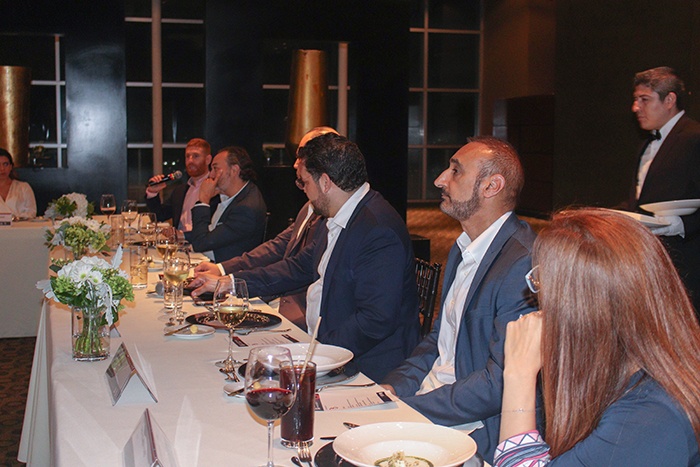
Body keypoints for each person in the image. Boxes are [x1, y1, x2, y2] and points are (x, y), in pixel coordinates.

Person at [195, 133, 420, 382]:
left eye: (304, 183)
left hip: (364, 367)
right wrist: (231, 283)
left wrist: (315, 354)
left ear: (325, 182)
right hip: (325, 348)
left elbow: (375, 321)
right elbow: (296, 267)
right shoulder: (336, 215)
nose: (304, 191)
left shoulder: (377, 230)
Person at [494, 208, 700, 466]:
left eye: (542, 284)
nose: (539, 300)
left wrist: (518, 374)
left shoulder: (650, 419)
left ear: (584, 312)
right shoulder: (638, 371)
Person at [381, 136, 539, 463]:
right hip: (433, 403)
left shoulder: (523, 262)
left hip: (473, 430)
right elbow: (439, 340)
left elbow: (500, 382)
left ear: (491, 186)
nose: (440, 179)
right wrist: (394, 389)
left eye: (455, 171)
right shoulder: (462, 247)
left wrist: (408, 409)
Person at [192, 126, 338, 329]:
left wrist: (231, 282)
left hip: (301, 309)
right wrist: (222, 270)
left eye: (303, 155)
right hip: (278, 296)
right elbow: (277, 246)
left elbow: (298, 270)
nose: (296, 163)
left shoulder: (331, 210)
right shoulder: (309, 206)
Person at [628, 66, 700, 316]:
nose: (635, 107)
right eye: (635, 100)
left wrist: (680, 224)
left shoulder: (695, 138)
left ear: (669, 100)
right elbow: (641, 202)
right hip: (651, 261)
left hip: (687, 266)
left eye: (644, 100)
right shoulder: (645, 144)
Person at [187, 146, 267, 263]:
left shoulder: (246, 208)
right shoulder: (237, 195)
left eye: (215, 169)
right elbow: (212, 232)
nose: (211, 175)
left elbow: (201, 243)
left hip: (224, 269)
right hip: (209, 260)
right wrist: (182, 236)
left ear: (234, 170)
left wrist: (203, 200)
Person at [146, 137, 218, 233]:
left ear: (208, 159)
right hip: (178, 241)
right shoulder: (180, 191)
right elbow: (160, 216)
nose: (190, 161)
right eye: (187, 156)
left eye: (196, 156)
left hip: (202, 241)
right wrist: (153, 193)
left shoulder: (217, 189)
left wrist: (182, 235)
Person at [0, 148, 36, 218]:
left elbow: (32, 212)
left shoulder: (24, 187)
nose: (2, 169)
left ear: (11, 167)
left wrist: (16, 218)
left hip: (22, 224)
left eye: (5, 164)